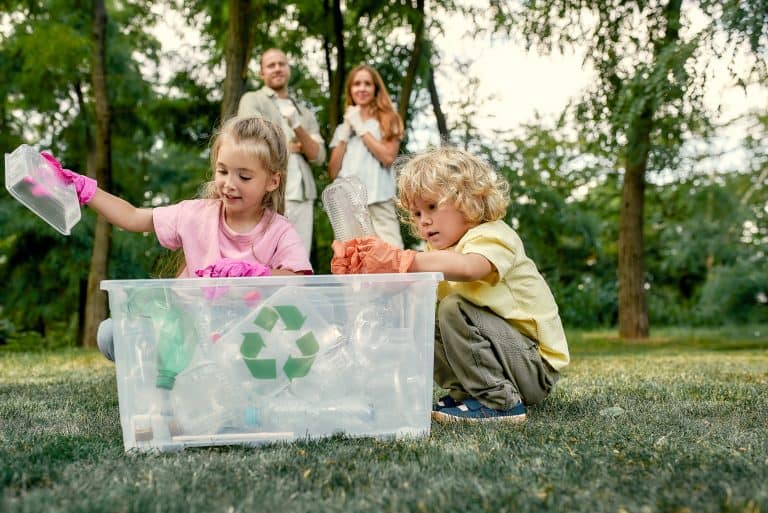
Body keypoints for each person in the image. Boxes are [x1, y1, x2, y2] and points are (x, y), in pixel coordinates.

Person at [330, 147, 569, 423]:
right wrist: (366, 273)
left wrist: (405, 259)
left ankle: (499, 401)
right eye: (417, 213)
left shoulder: (493, 234)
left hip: (534, 366)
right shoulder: (434, 249)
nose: (424, 220)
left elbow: (470, 268)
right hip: (505, 360)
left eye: (432, 206)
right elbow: (407, 287)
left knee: (454, 308)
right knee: (423, 317)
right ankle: (467, 392)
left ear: (469, 200)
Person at [45, 116, 313, 360]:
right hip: (188, 331)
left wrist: (256, 276)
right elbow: (133, 217)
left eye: (244, 176)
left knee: (301, 342)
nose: (230, 184)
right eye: (222, 171)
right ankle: (165, 382)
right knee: (111, 333)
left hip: (246, 341)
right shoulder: (196, 214)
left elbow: (299, 280)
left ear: (273, 181)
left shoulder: (279, 230)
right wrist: (85, 189)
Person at [237, 48, 326, 256]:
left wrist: (297, 126)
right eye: (271, 65)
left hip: (301, 195)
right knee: (262, 258)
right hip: (265, 194)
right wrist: (292, 147)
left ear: (289, 68)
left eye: (281, 64)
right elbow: (250, 141)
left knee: (298, 258)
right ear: (261, 73)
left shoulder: (304, 112)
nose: (277, 68)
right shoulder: (252, 100)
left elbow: (319, 156)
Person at [328, 64, 404, 248]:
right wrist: (345, 133)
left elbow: (387, 157)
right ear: (350, 90)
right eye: (357, 84)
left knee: (392, 252)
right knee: (354, 259)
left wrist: (361, 128)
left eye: (367, 84)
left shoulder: (388, 120)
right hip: (348, 204)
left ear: (375, 89)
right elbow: (333, 171)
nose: (361, 88)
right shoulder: (342, 128)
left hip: (379, 199)